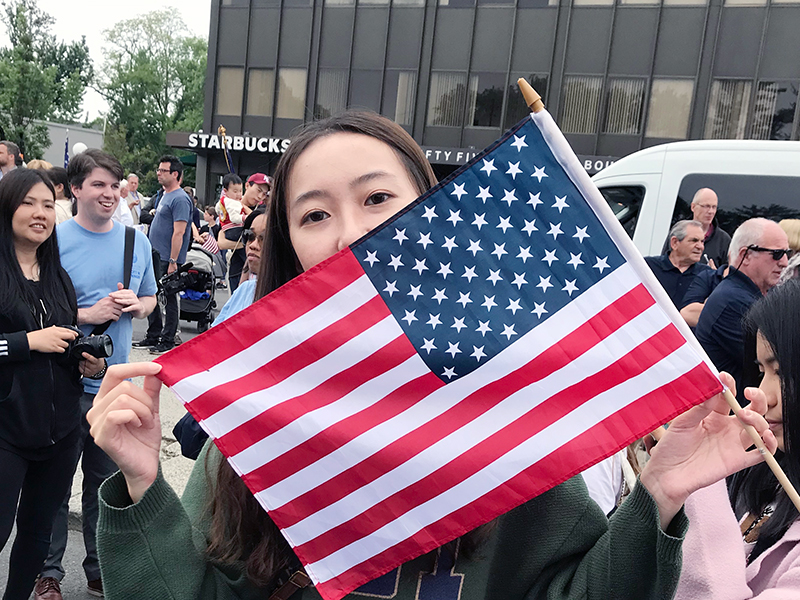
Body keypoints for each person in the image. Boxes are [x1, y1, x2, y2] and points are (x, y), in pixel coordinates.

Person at [89, 112, 778, 600]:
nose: (352, 233)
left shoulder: (521, 412)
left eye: (379, 198)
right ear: (288, 246)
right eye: (314, 214)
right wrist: (146, 486)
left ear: (433, 212)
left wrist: (658, 495)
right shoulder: (256, 429)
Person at [35, 149, 158, 600]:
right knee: (54, 484)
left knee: (105, 488)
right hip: (62, 383)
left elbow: (150, 301)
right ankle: (48, 573)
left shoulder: (135, 242)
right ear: (76, 190)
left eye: (115, 185)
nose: (110, 193)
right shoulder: (55, 239)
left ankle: (99, 569)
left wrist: (135, 306)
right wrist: (91, 312)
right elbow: (38, 310)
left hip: (115, 386)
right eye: (99, 185)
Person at [0, 169, 103, 600]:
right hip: (6, 427)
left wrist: (86, 363)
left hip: (60, 428)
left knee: (38, 534)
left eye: (47, 205)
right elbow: (31, 343)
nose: (40, 214)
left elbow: (59, 343)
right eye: (28, 203)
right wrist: (27, 342)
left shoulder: (57, 275)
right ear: (7, 207)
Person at [675, 279, 800, 599]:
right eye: (762, 371)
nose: (762, 394)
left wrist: (699, 483)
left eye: (783, 372)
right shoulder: (769, 473)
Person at [173, 206, 267, 460]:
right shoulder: (245, 291)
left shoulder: (292, 299)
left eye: (264, 238)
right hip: (221, 412)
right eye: (249, 236)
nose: (253, 245)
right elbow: (210, 343)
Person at [696, 218, 790, 392]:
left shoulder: (748, 295)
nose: (784, 262)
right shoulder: (734, 302)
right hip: (737, 414)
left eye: (787, 253)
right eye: (776, 254)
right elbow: (781, 361)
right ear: (746, 255)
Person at [139, 155, 193, 354]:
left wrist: (173, 260)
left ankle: (168, 338)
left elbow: (179, 231)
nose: (158, 174)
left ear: (175, 174)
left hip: (167, 257)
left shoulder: (180, 198)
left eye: (163, 171)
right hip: (155, 254)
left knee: (169, 296)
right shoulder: (163, 195)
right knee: (151, 293)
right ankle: (153, 334)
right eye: (158, 170)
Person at [217, 173, 270, 292]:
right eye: (258, 190)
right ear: (247, 185)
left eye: (264, 193)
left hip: (257, 273)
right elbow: (221, 242)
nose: (260, 196)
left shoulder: (262, 213)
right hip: (236, 271)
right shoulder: (229, 207)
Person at [645, 220, 709, 308]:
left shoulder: (707, 275)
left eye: (702, 241)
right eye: (694, 240)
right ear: (674, 242)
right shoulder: (648, 267)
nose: (700, 247)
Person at [662, 188, 731, 268]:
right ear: (693, 207)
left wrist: (716, 275)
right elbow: (663, 264)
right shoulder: (678, 231)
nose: (711, 211)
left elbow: (729, 275)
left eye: (714, 207)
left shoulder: (724, 240)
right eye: (706, 206)